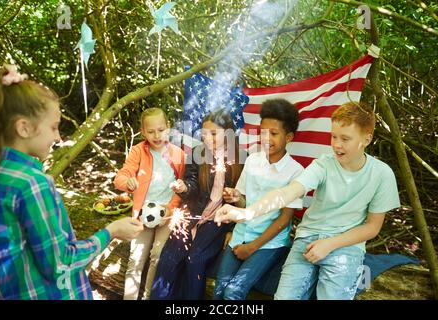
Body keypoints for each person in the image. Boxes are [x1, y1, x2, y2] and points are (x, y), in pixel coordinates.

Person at [215, 101, 400, 300]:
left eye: (345, 139)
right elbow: (288, 192)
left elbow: (372, 227)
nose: (337, 144)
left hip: (346, 246)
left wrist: (329, 244)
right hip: (308, 239)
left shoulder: (382, 174)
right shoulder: (322, 165)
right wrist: (246, 212)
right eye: (334, 136)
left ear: (367, 139)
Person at [0, 64, 143, 300]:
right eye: (53, 127)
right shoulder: (32, 183)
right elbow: (60, 263)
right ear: (24, 127)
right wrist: (111, 231)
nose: (58, 137)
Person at [150, 109, 246, 300]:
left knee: (195, 260)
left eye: (213, 134)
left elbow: (246, 198)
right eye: (204, 135)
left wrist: (233, 228)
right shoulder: (197, 153)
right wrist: (184, 188)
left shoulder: (242, 158)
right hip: (192, 214)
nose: (208, 139)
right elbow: (192, 186)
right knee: (169, 260)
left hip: (218, 220)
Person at [213, 99, 303, 300]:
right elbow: (245, 203)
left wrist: (252, 247)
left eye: (274, 133)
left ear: (288, 137)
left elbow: (283, 220)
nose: (266, 138)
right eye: (263, 132)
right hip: (241, 233)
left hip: (269, 243)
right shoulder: (253, 160)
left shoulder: (296, 171)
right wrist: (236, 197)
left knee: (234, 292)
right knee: (220, 289)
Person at [114, 107, 185, 300]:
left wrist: (169, 209)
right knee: (135, 260)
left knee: (157, 255)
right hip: (142, 215)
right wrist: (127, 183)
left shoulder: (178, 154)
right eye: (151, 131)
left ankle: (148, 297)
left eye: (160, 130)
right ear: (143, 131)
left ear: (168, 128)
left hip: (166, 215)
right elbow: (121, 176)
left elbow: (182, 189)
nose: (156, 135)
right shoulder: (138, 151)